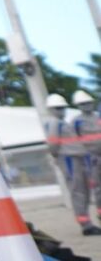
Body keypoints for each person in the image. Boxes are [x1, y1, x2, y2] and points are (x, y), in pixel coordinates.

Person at [45, 93, 101, 235]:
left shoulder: (61, 122)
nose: (61, 111)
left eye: (62, 108)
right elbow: (53, 145)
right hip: (69, 159)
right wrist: (58, 156)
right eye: (57, 108)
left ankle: (86, 222)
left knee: (84, 190)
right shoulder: (54, 123)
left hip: (79, 158)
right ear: (50, 109)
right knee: (78, 191)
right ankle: (85, 224)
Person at [73, 89, 101, 235]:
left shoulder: (98, 117)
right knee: (94, 188)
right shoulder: (76, 121)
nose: (87, 106)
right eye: (83, 104)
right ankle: (88, 223)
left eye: (88, 103)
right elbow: (75, 141)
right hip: (89, 158)